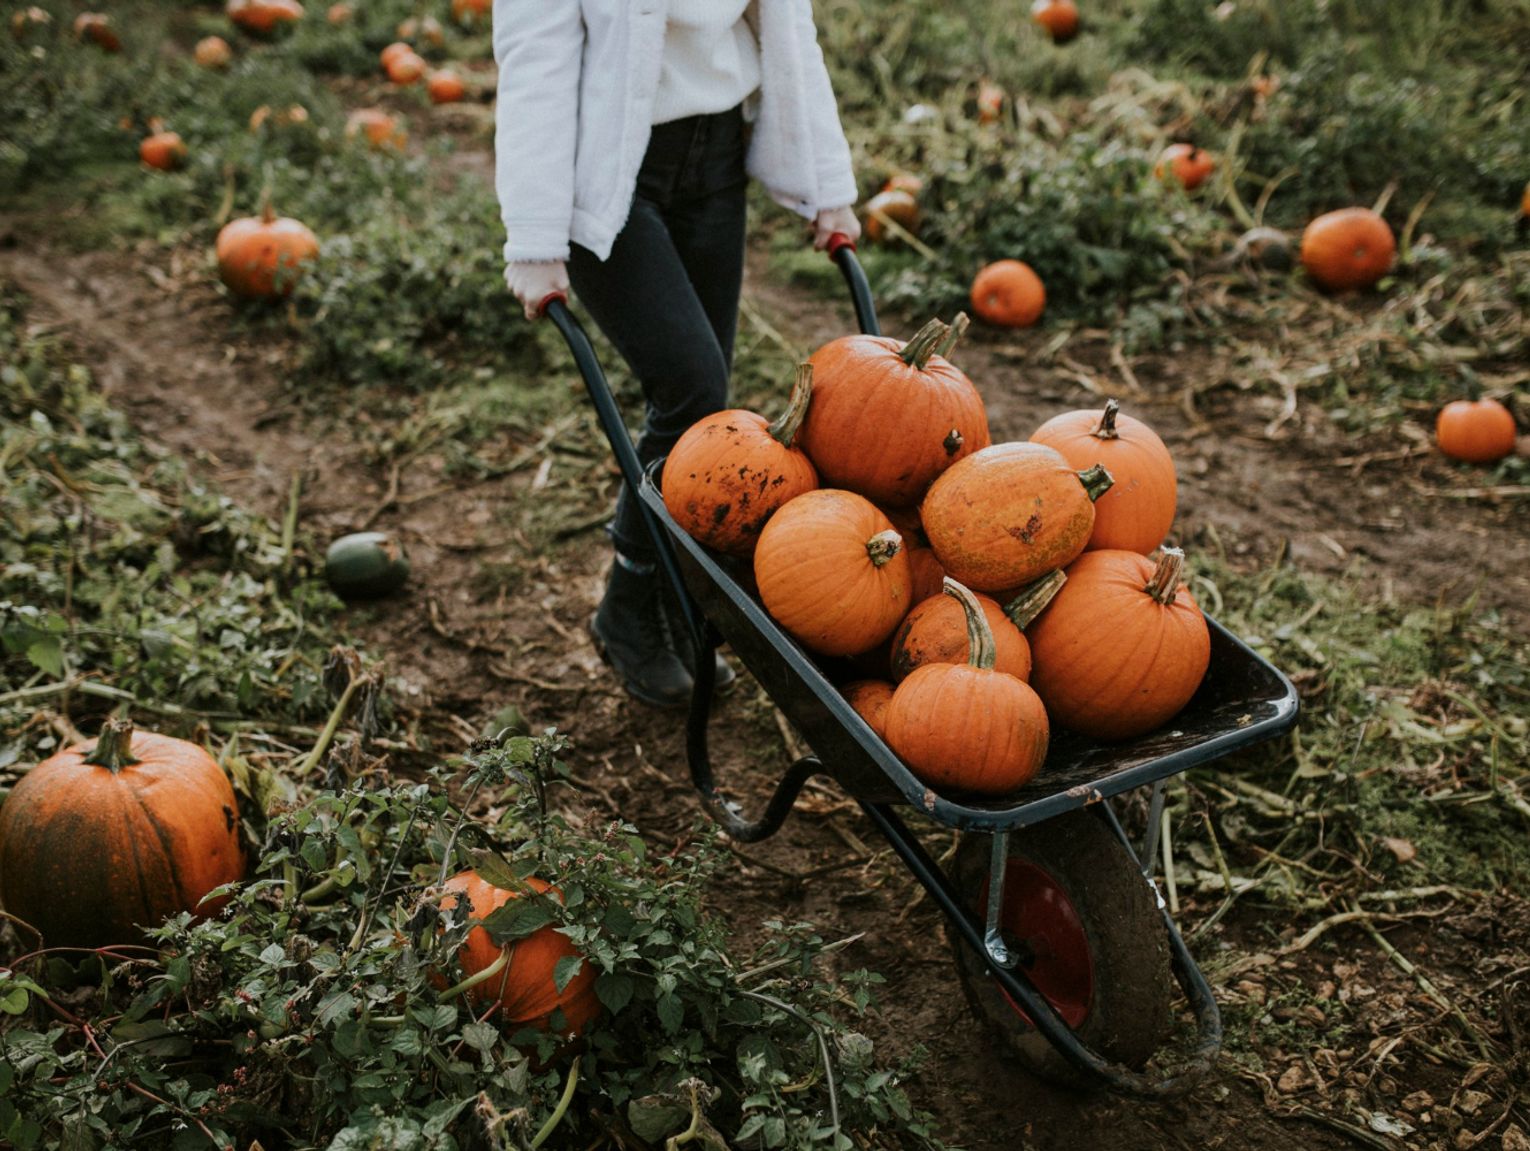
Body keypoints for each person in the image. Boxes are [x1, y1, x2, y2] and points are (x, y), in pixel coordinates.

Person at [493, 1, 862, 709]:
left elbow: (787, 30)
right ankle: (630, 601)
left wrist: (827, 184)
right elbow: (534, 61)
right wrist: (535, 235)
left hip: (717, 161)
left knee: (704, 414)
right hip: (605, 178)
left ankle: (665, 594)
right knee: (693, 382)